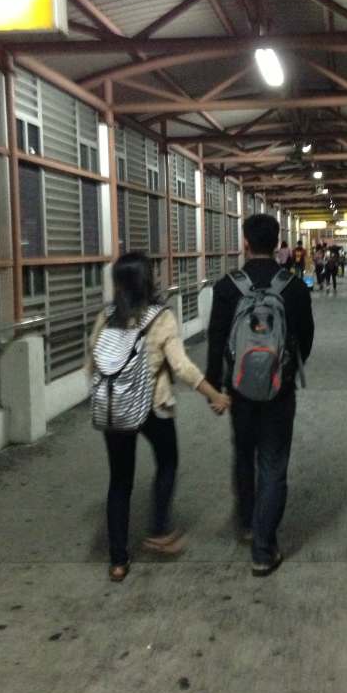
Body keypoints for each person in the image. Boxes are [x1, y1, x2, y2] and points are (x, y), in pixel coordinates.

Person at [89, 252, 231, 582]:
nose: (157, 276)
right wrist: (214, 395)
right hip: (154, 406)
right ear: (146, 280)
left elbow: (94, 362)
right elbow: (181, 366)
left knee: (120, 481)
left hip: (115, 407)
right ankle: (159, 529)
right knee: (167, 462)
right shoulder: (161, 317)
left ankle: (118, 561)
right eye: (153, 272)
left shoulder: (106, 317)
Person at [207, 214, 314, 577]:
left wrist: (214, 385)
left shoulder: (226, 287)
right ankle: (264, 551)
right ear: (278, 241)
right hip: (279, 391)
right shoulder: (293, 286)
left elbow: (216, 338)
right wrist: (283, 369)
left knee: (243, 453)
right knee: (273, 463)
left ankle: (247, 523)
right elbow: (306, 338)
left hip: (238, 390)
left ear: (245, 242)